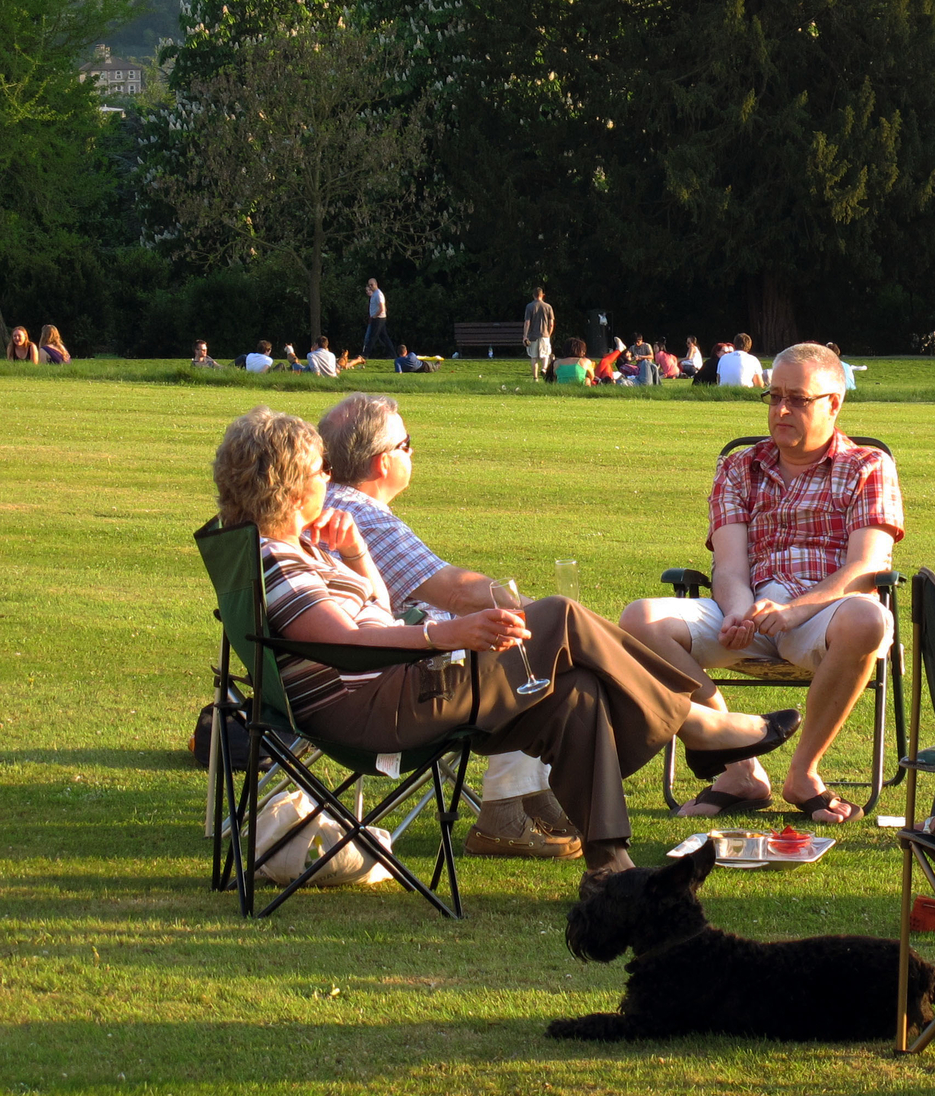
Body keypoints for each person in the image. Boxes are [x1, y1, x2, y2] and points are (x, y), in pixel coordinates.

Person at [213, 405, 799, 891]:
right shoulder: (276, 559)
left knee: (578, 693)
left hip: (396, 691)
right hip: (379, 709)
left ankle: (610, 868)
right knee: (561, 615)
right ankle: (695, 723)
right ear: (288, 485)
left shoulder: (299, 546)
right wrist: (446, 634)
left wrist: (357, 555)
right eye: (318, 470)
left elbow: (374, 611)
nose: (327, 479)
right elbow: (343, 640)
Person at [621, 343, 903, 825]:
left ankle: (804, 774)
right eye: (774, 397)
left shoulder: (867, 466)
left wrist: (793, 612)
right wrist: (736, 610)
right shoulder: (739, 466)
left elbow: (864, 566)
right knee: (639, 619)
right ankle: (739, 767)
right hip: (747, 606)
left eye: (798, 398)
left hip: (822, 617)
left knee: (869, 616)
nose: (781, 410)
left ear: (834, 403)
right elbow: (729, 565)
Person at [317, 393, 579, 858]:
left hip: (354, 676)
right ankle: (504, 808)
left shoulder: (325, 507)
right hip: (395, 685)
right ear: (382, 462)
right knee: (525, 641)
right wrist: (543, 610)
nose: (412, 453)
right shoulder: (364, 516)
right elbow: (457, 592)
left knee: (526, 638)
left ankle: (529, 794)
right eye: (407, 444)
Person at [524, 287, 555, 384]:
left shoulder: (529, 306)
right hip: (545, 335)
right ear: (543, 295)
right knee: (545, 355)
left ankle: (535, 378)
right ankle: (544, 369)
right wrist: (549, 334)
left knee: (534, 357)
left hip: (532, 336)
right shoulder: (548, 307)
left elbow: (527, 322)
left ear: (533, 295)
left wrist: (525, 335)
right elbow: (551, 323)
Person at [362, 278, 390, 359]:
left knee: (372, 337)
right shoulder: (374, 294)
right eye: (369, 285)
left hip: (378, 318)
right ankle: (392, 354)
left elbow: (382, 308)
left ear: (376, 284)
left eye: (372, 285)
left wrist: (374, 316)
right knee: (384, 337)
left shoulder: (378, 294)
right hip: (377, 318)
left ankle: (365, 354)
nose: (370, 287)